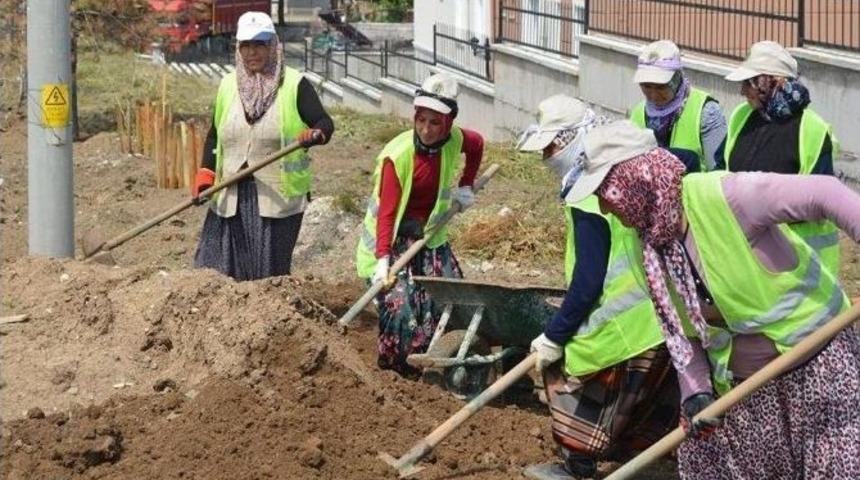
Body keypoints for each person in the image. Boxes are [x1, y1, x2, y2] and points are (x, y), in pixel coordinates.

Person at [564, 120, 860, 479]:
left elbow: (826, 192)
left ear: (634, 179)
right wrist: (696, 391)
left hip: (817, 365)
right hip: (748, 387)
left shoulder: (726, 197)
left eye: (605, 192)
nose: (605, 208)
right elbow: (679, 330)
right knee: (706, 458)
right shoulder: (648, 245)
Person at [518, 96, 680, 480]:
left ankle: (576, 466)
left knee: (567, 374)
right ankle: (646, 465)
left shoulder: (588, 192)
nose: (547, 159)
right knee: (642, 402)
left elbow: (588, 280)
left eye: (552, 148)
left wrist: (555, 336)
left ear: (574, 140)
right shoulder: (622, 176)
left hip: (624, 322)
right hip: (661, 316)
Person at [354, 73, 484, 377]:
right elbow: (387, 213)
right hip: (392, 242)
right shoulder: (398, 156)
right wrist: (382, 260)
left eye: (435, 122)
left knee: (452, 298)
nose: (426, 129)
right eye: (421, 120)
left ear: (448, 123)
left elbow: (477, 144)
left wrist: (466, 184)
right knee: (402, 309)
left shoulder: (455, 140)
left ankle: (449, 359)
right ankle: (401, 374)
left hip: (430, 237)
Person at [192, 11, 334, 281]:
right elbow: (215, 135)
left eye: (259, 44)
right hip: (230, 194)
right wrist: (206, 173)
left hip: (275, 200)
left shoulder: (294, 84)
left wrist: (316, 134)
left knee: (267, 278)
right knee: (216, 271)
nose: (252, 52)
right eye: (245, 45)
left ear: (273, 46)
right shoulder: (227, 85)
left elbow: (324, 122)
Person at [720, 40, 840, 274]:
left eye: (749, 83)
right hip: (747, 255)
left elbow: (819, 201)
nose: (742, 91)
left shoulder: (812, 128)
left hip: (799, 263)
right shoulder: (741, 116)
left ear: (773, 82)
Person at [629, 40, 727, 172]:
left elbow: (718, 174)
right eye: (646, 86)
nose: (653, 95)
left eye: (661, 87)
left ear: (676, 79)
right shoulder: (638, 113)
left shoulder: (706, 112)